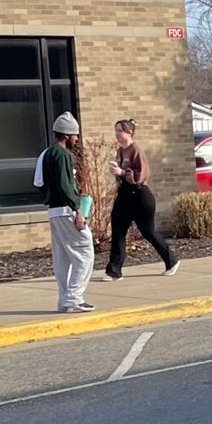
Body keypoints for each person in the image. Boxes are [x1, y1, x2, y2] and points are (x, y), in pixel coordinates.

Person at [105, 118, 178, 279]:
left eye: (120, 131)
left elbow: (141, 175)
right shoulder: (120, 151)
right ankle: (114, 271)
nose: (116, 134)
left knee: (148, 231)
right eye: (115, 130)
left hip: (139, 195)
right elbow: (120, 173)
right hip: (124, 195)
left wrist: (122, 173)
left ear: (129, 132)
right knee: (117, 230)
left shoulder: (136, 150)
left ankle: (171, 260)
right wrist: (115, 175)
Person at [38, 113, 95, 311]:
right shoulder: (62, 155)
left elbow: (40, 183)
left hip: (53, 211)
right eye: (75, 135)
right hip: (66, 210)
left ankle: (64, 299)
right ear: (66, 135)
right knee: (84, 252)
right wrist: (77, 209)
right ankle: (74, 296)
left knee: (62, 258)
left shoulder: (47, 154)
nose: (77, 139)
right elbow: (65, 185)